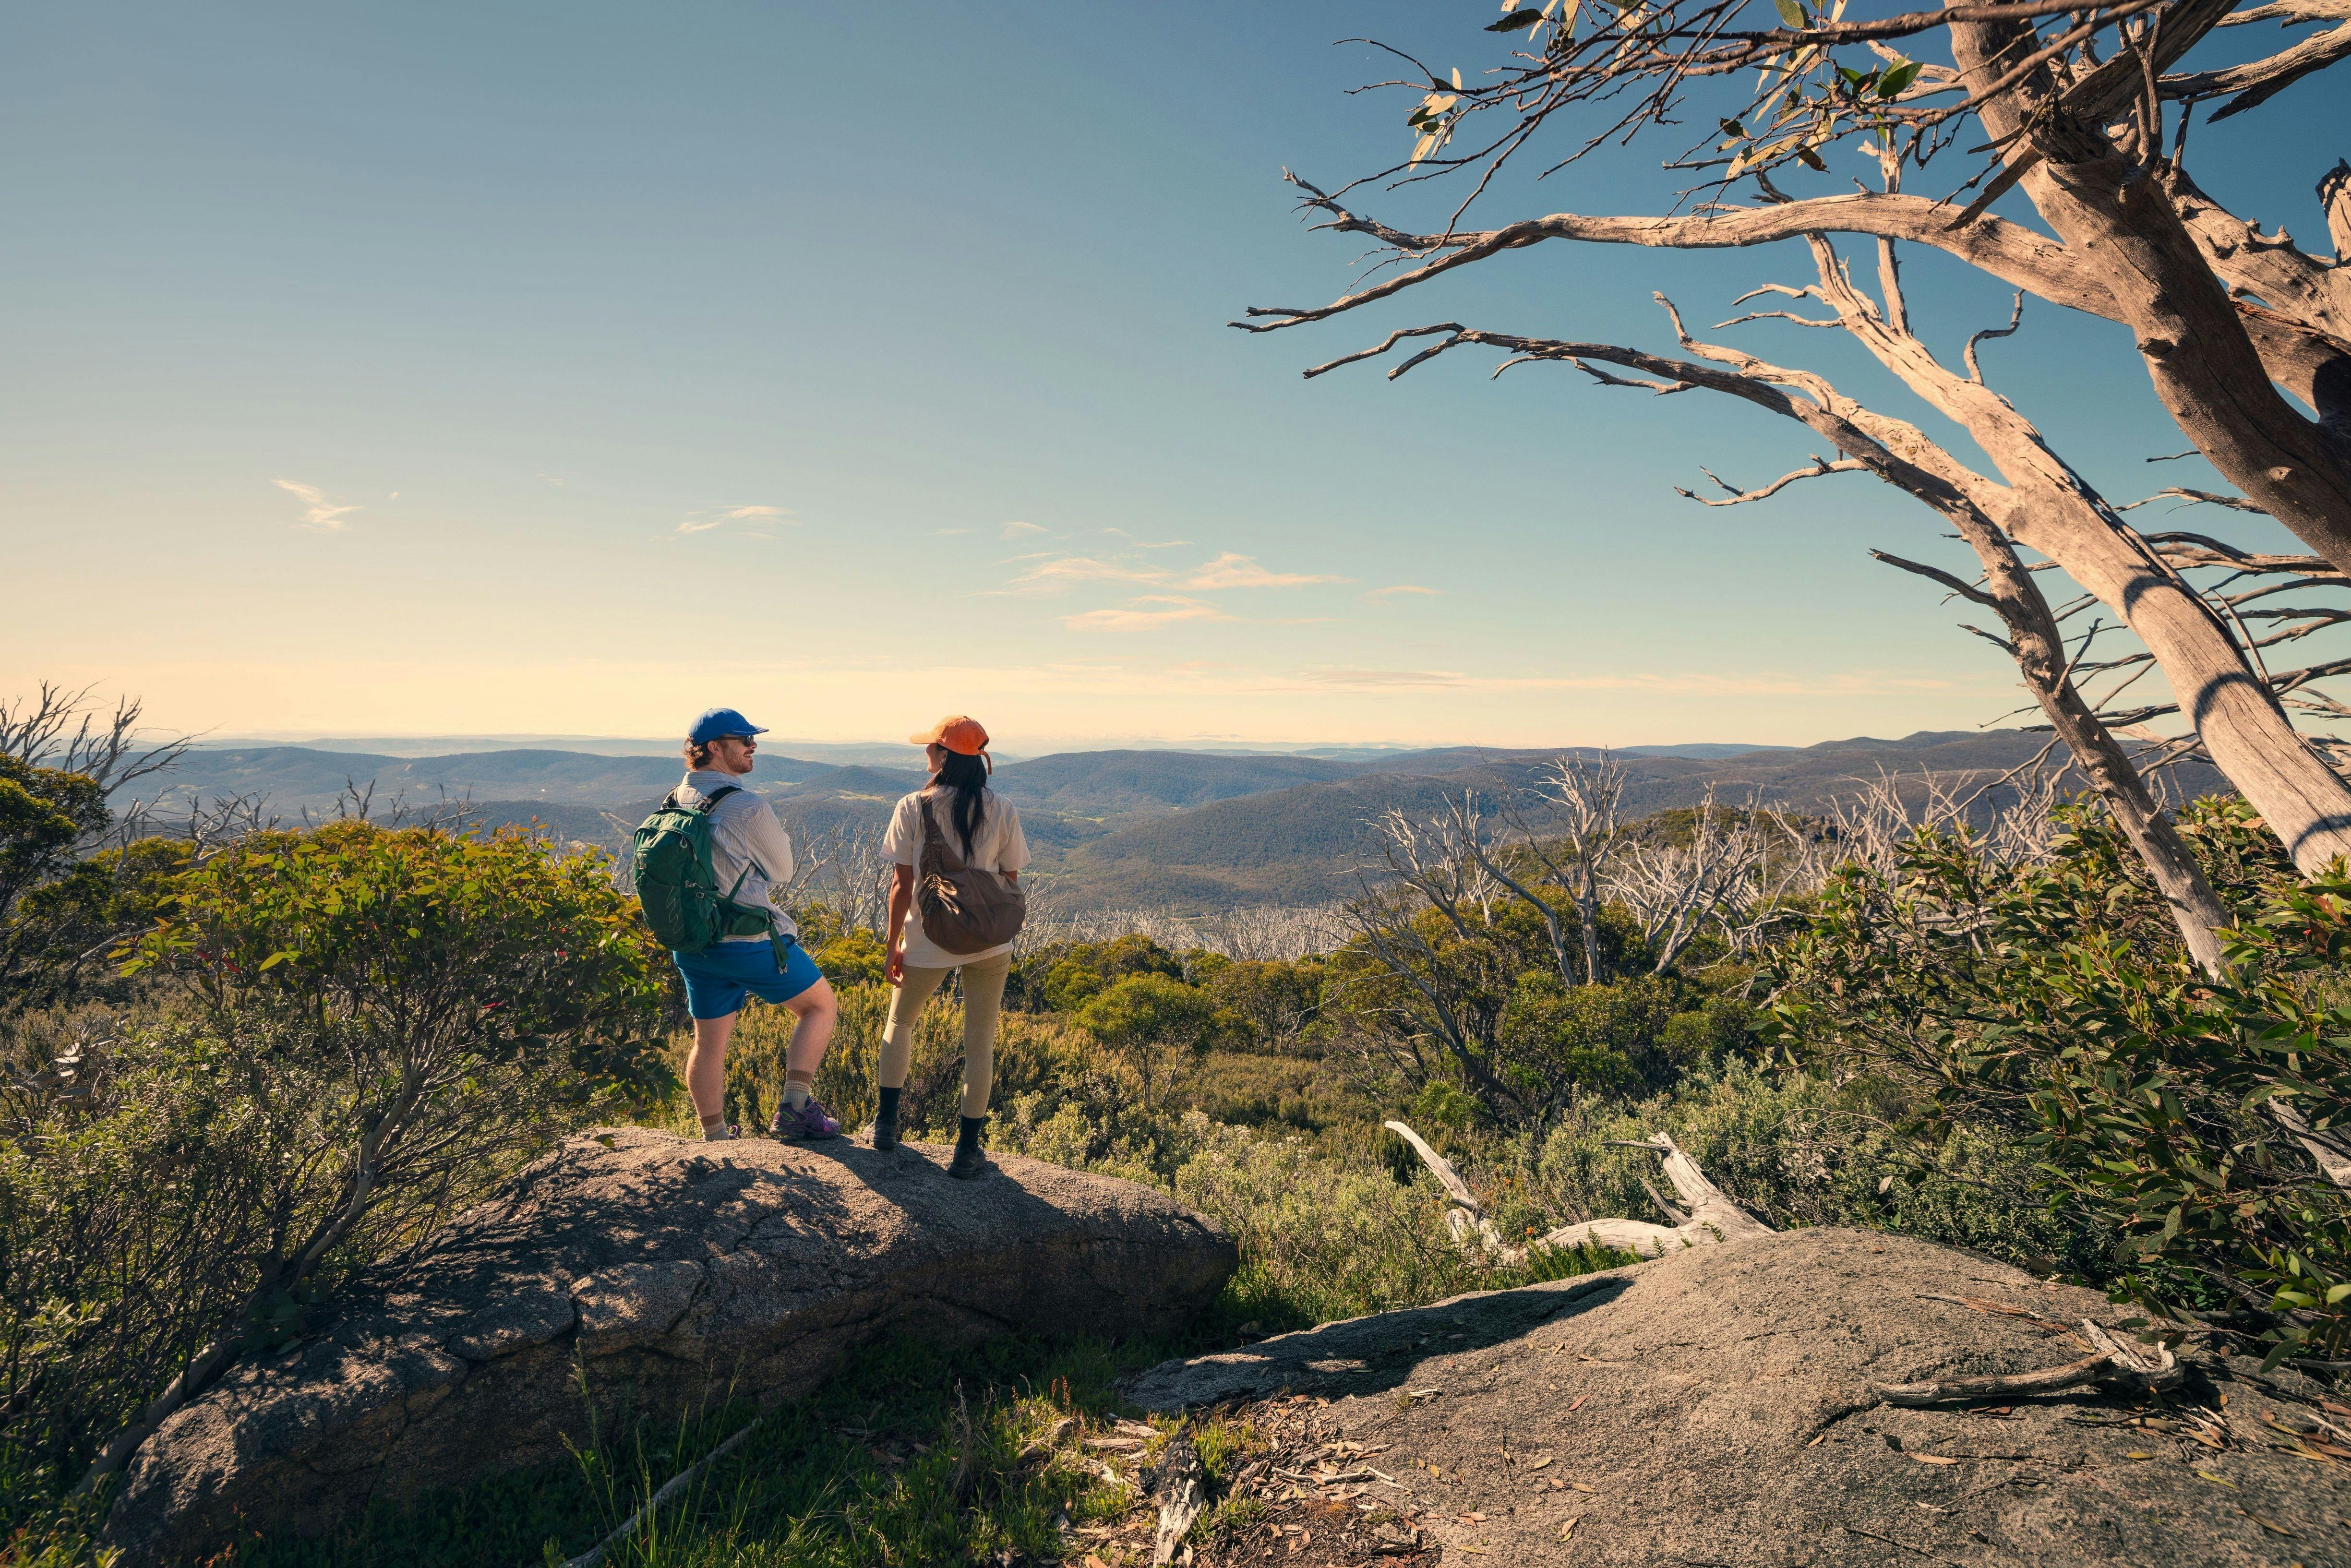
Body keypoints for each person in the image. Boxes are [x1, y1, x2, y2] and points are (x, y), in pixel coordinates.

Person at [667, 706, 842, 1142]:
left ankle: (716, 1137)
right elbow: (782, 869)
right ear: (713, 748)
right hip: (747, 940)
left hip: (694, 943)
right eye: (743, 740)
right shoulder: (746, 805)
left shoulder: (673, 799)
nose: (752, 746)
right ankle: (795, 1109)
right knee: (820, 1007)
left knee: (708, 1044)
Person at [876, 714, 1029, 1178]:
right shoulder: (1001, 806)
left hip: (928, 937)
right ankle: (966, 1151)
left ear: (943, 755)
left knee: (900, 1023)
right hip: (988, 943)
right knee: (979, 1045)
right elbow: (1009, 879)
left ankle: (885, 1128)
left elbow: (902, 885)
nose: (925, 753)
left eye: (930, 747)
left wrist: (893, 945)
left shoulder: (913, 806)